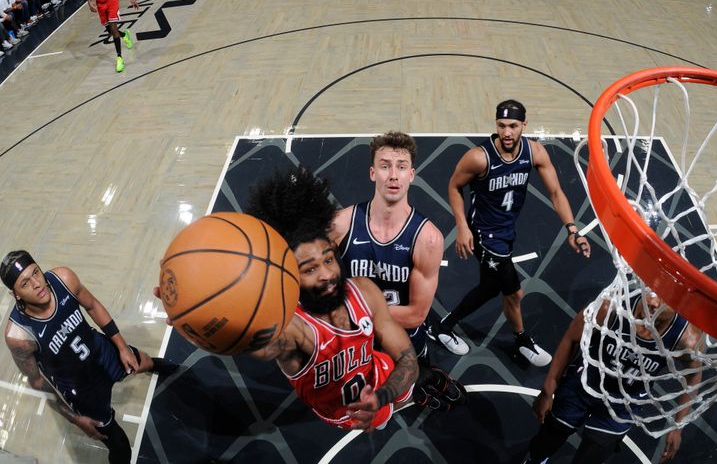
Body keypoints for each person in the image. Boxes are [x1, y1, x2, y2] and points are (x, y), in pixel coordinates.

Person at [156, 166, 419, 430]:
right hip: (346, 412)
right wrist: (196, 311)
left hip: (381, 378)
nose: (327, 274)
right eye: (310, 269)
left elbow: (407, 359)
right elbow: (253, 344)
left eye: (328, 259)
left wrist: (383, 396)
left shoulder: (363, 291)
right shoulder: (292, 328)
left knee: (406, 396)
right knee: (383, 422)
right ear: (289, 275)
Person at [429, 99, 591, 366]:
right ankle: (522, 341)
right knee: (514, 293)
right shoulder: (479, 157)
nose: (507, 132)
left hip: (507, 231)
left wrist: (572, 229)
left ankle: (443, 326)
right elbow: (453, 186)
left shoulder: (535, 152)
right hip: (485, 235)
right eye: (502, 125)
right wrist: (462, 226)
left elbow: (556, 193)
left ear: (524, 125)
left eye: (513, 126)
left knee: (490, 288)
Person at [329, 131, 468, 410]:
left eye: (401, 167)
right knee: (370, 405)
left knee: (406, 389)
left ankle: (421, 377)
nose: (393, 175)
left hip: (399, 337)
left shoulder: (427, 238)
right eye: (385, 166)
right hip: (358, 343)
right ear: (372, 173)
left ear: (412, 175)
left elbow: (416, 314)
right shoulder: (340, 224)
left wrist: (350, 317)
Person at [2, 250, 176, 464]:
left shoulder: (63, 279)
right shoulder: (19, 336)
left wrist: (121, 347)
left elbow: (92, 305)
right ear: (16, 294)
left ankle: (158, 366)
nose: (37, 283)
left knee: (144, 361)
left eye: (36, 272)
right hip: (80, 388)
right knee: (119, 444)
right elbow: (37, 381)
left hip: (101, 352)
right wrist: (74, 419)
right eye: (25, 283)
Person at [525, 287, 703, 463]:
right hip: (583, 385)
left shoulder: (686, 338)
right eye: (652, 292)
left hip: (623, 404)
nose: (654, 302)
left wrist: (678, 426)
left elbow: (694, 376)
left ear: (681, 308)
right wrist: (548, 389)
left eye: (666, 302)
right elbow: (572, 337)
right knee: (545, 443)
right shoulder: (611, 307)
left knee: (589, 459)